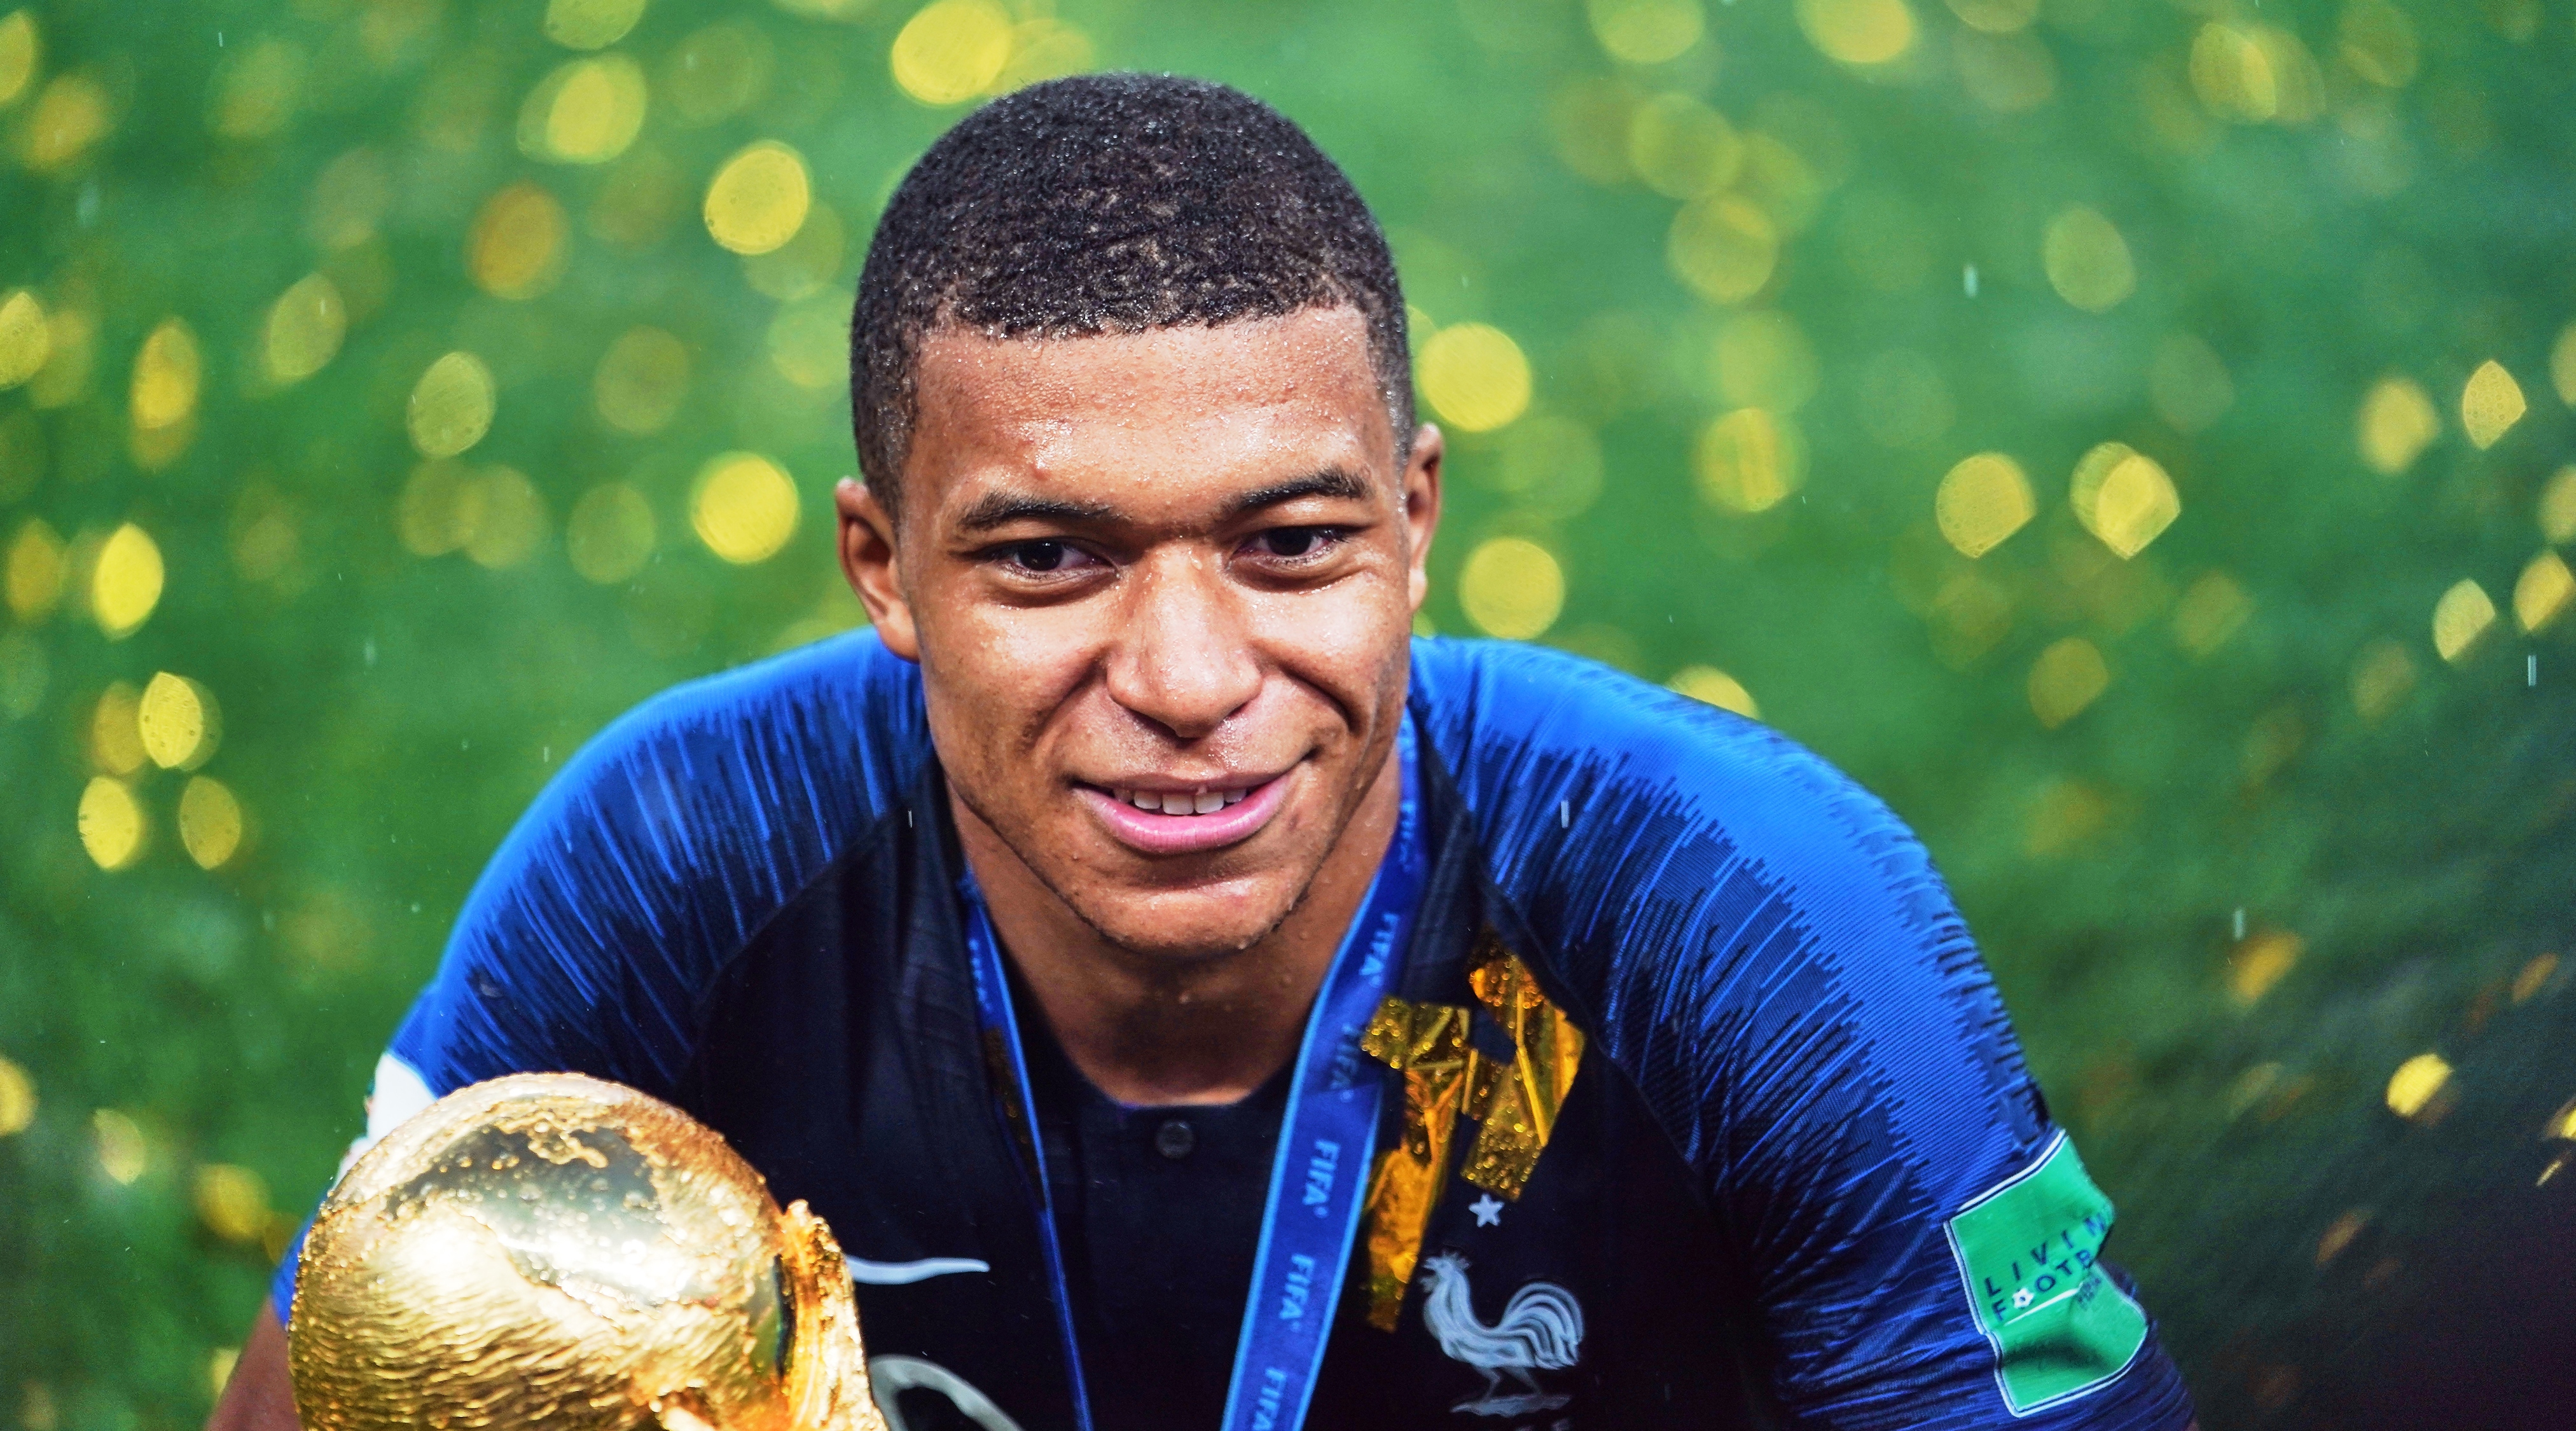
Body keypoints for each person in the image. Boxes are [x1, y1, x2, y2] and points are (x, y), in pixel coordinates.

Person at [211, 74, 2194, 1431]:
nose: (1182, 672)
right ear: (880, 565)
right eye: (1050, 555)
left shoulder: (1750, 913)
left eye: (1289, 541)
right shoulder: (675, 852)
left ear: (1416, 524)